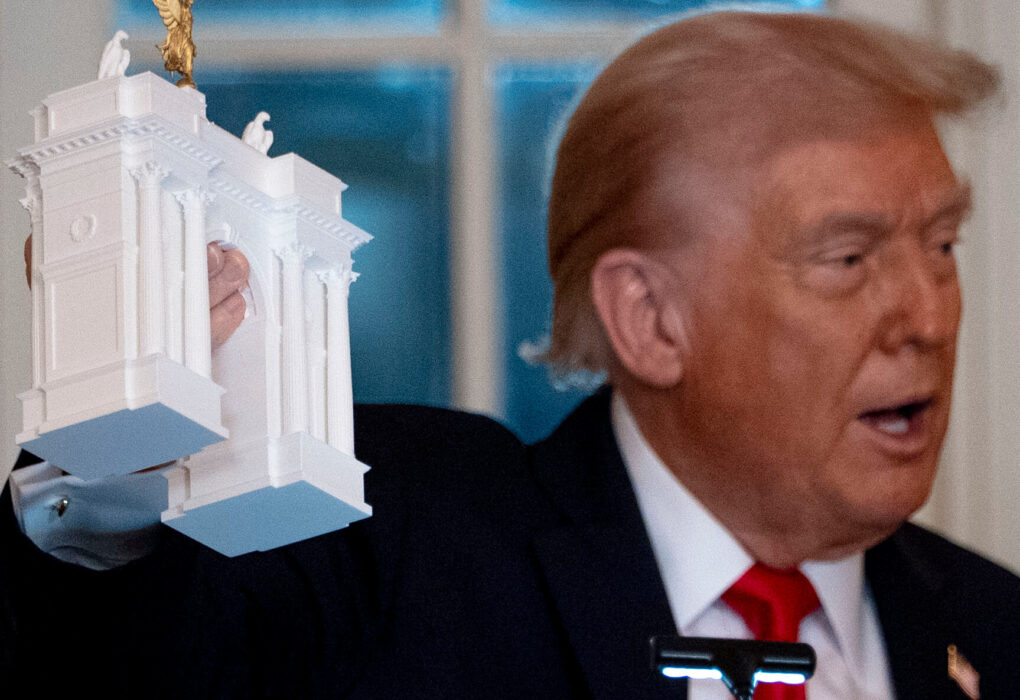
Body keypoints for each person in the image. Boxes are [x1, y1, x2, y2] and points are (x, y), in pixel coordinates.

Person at [3, 8, 1019, 699]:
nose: (928, 315)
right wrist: (113, 429)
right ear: (649, 318)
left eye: (942, 245)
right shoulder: (389, 540)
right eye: (849, 258)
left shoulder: (994, 623)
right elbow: (103, 659)